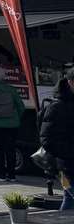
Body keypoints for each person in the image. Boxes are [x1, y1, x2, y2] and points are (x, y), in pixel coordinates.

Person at [40, 69, 74, 211]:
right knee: (69, 196)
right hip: (64, 165)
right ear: (71, 82)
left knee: (69, 197)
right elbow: (46, 139)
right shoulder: (56, 106)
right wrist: (68, 153)